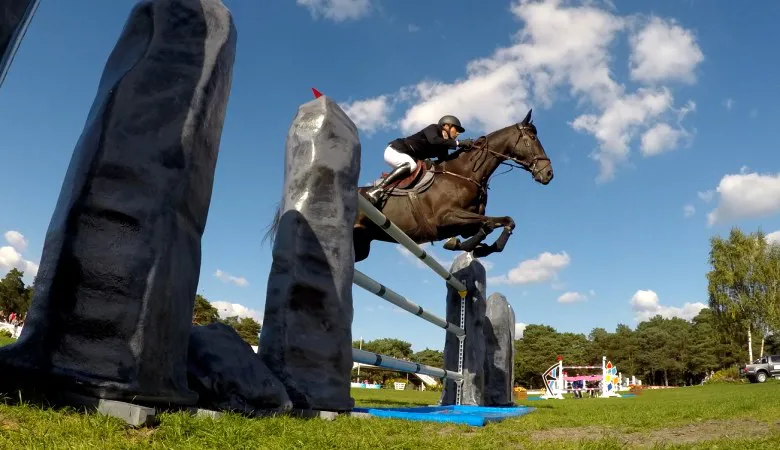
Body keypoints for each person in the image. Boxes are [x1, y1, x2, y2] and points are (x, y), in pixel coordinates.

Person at [365, 115, 474, 203]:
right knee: (411, 165)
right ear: (446, 125)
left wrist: (465, 152)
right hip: (395, 151)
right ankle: (377, 189)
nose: (458, 133)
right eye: (457, 129)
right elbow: (433, 140)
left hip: (406, 156)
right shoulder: (434, 128)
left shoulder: (443, 145)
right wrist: (459, 143)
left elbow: (445, 161)